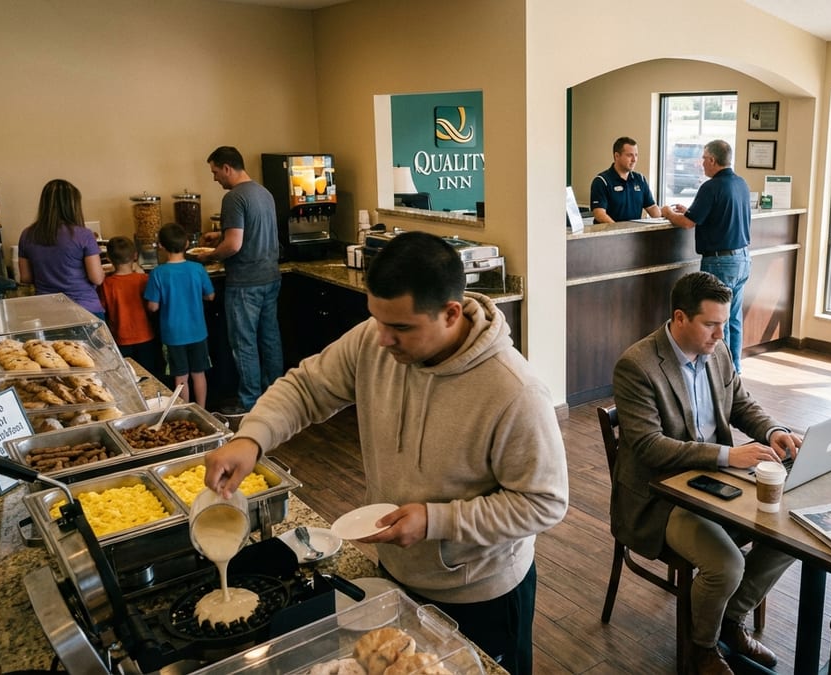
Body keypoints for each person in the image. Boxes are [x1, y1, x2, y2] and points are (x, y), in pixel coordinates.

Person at [202, 231, 568, 674]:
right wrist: (251, 438)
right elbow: (306, 387)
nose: (382, 339)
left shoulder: (514, 392)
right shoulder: (373, 343)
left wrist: (437, 521)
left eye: (400, 327)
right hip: (396, 573)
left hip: (481, 594)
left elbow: (544, 501)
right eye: (376, 319)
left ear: (451, 313)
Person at [611, 271, 802, 675]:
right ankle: (701, 647)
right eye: (711, 324)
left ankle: (729, 620)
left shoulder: (718, 352)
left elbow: (740, 403)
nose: (721, 333)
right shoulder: (637, 366)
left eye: (723, 322)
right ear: (680, 318)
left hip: (717, 483)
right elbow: (649, 447)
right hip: (660, 496)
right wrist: (728, 456)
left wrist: (774, 431)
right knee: (727, 565)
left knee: (791, 537)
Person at [197, 146, 283, 412]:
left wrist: (209, 256)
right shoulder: (263, 192)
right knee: (270, 338)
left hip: (245, 282)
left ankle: (250, 403)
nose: (214, 178)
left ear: (226, 168)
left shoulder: (234, 198)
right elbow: (252, 234)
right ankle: (278, 397)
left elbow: (234, 245)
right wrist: (219, 238)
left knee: (244, 343)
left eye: (214, 172)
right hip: (270, 276)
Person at [661, 140, 753, 372]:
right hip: (742, 259)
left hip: (720, 261)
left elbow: (687, 223)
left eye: (703, 158)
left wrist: (668, 212)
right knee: (733, 318)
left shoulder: (711, 187)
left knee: (717, 319)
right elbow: (707, 214)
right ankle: (734, 369)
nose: (701, 163)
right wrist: (688, 210)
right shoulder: (741, 184)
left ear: (712, 160)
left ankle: (720, 372)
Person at [146, 223, 215, 408]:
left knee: (181, 377)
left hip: (173, 335)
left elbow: (152, 306)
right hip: (198, 331)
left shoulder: (158, 273)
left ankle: (187, 414)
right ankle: (202, 410)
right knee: (199, 374)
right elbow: (210, 295)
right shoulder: (197, 269)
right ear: (186, 244)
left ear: (161, 245)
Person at [18, 179, 106, 317]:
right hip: (84, 309)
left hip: (46, 310)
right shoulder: (84, 235)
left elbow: (26, 277)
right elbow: (96, 278)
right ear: (72, 206)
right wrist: (104, 272)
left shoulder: (27, 234)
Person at [97, 236, 164, 381]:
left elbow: (102, 308)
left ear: (108, 258)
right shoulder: (144, 279)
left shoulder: (106, 284)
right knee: (150, 377)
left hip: (120, 339)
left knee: (128, 379)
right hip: (146, 336)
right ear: (135, 256)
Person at [590, 136, 663, 223]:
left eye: (636, 155)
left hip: (634, 234)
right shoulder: (602, 181)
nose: (634, 159)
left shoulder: (640, 179)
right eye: (629, 155)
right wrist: (618, 230)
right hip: (610, 234)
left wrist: (666, 215)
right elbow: (599, 213)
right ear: (617, 156)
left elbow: (651, 207)